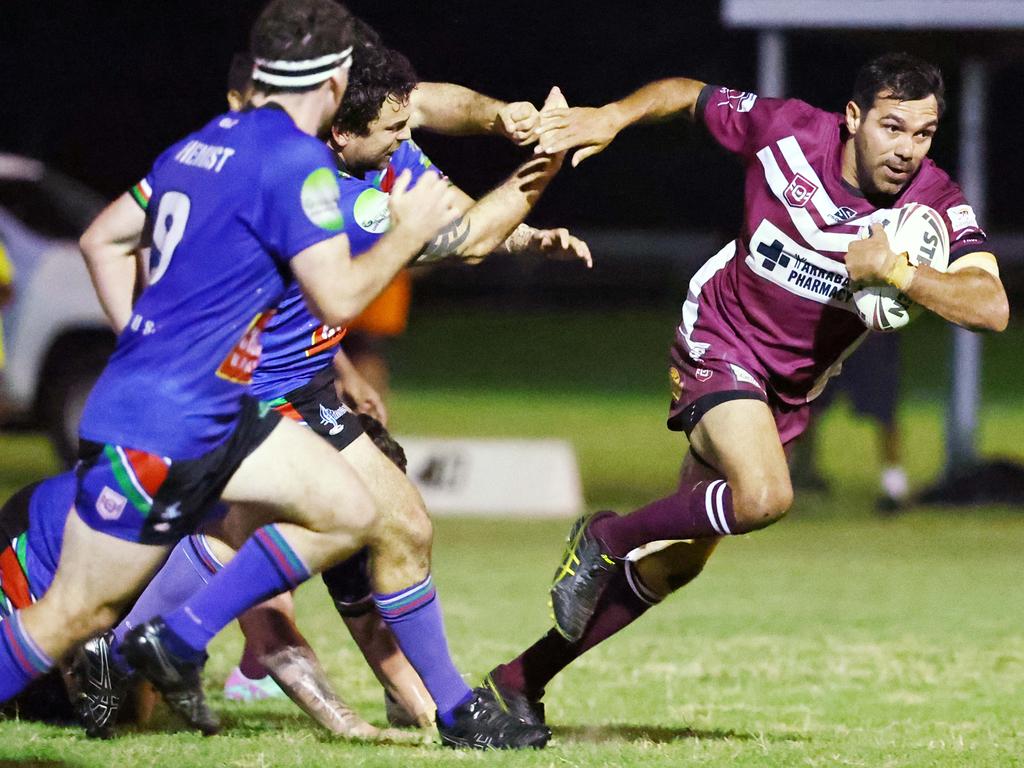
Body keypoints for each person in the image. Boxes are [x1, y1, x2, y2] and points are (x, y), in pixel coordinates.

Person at [0, 0, 556, 752]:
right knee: (73, 616)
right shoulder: (298, 166)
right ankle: (164, 638)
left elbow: (104, 236)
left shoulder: (205, 143)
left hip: (215, 407)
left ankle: (178, 639)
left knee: (350, 510)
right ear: (331, 86)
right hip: (165, 423)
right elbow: (343, 296)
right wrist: (414, 230)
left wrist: (144, 340)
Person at [480, 52, 1009, 724]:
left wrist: (902, 274)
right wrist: (611, 117)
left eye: (923, 133)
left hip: (786, 393)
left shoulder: (931, 204)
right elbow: (685, 93)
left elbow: (990, 306)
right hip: (719, 341)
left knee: (679, 564)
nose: (907, 150)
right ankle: (605, 535)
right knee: (763, 497)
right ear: (853, 118)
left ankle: (518, 684)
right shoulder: (786, 131)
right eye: (892, 127)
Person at [789, 332, 910, 512]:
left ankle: (894, 485)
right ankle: (792, 476)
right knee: (806, 405)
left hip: (869, 332)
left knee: (884, 408)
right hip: (827, 332)